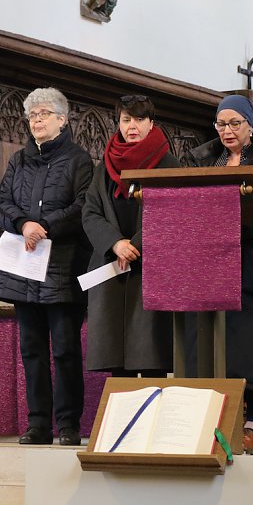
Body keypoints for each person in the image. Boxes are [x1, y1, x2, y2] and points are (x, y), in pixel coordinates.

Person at [184, 94, 253, 453]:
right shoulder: (204, 158)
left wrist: (233, 222)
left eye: (235, 123)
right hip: (210, 263)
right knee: (209, 343)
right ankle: (210, 421)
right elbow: (188, 200)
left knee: (252, 346)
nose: (228, 131)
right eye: (221, 124)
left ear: (250, 124)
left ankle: (252, 424)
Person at [0, 87, 94, 446]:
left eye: (44, 114)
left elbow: (84, 206)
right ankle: (38, 424)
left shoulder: (79, 160)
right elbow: (1, 202)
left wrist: (45, 226)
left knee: (66, 350)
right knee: (31, 350)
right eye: (32, 115)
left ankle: (68, 425)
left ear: (62, 119)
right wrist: (22, 224)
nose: (36, 120)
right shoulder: (19, 160)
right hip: (24, 267)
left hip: (63, 267)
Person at [82, 95, 179, 377]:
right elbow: (90, 211)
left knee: (151, 358)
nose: (132, 126)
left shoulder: (167, 164)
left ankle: (151, 419)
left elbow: (171, 215)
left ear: (151, 123)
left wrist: (134, 246)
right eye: (126, 120)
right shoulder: (106, 166)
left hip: (150, 269)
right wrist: (115, 243)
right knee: (117, 360)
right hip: (113, 267)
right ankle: (123, 421)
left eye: (139, 119)